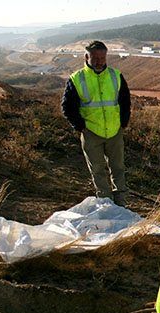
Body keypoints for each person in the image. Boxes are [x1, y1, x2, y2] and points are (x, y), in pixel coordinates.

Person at [61, 40, 131, 206]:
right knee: (98, 171)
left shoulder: (116, 76)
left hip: (114, 131)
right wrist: (81, 127)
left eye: (102, 57)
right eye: (95, 58)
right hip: (91, 132)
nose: (99, 61)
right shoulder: (77, 79)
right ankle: (106, 205)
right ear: (86, 57)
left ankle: (121, 204)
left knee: (118, 169)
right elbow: (67, 107)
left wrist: (123, 122)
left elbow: (125, 101)